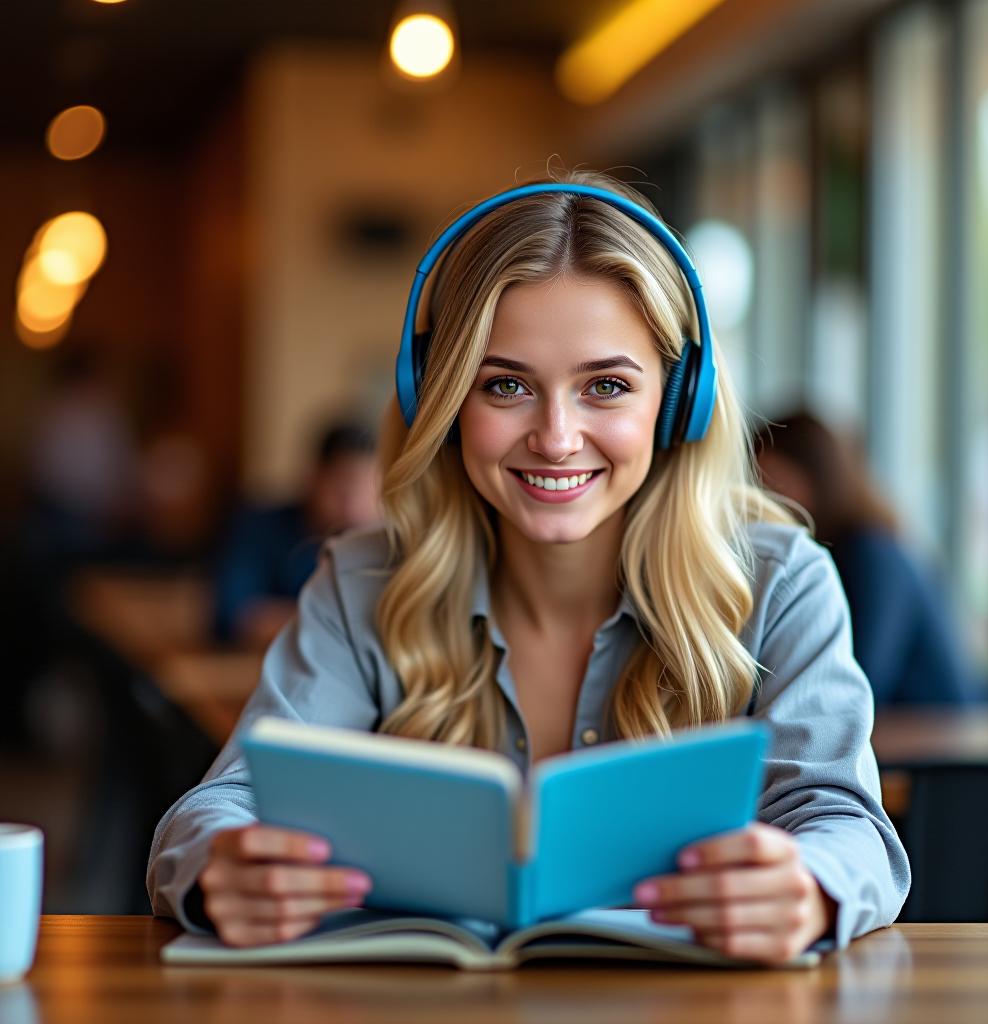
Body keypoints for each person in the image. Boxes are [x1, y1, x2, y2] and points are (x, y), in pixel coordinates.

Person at [148, 170, 909, 964]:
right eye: (505, 385)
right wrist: (224, 867)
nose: (555, 436)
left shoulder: (779, 580)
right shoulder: (362, 581)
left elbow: (847, 823)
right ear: (436, 399)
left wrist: (807, 886)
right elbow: (220, 806)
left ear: (678, 401)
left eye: (606, 386)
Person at [753, 411, 988, 706]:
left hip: (944, 739)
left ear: (814, 477)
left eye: (773, 480)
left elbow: (859, 676)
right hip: (911, 731)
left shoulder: (872, 554)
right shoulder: (851, 550)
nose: (764, 499)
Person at [212, 422, 381, 648]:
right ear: (313, 478)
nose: (354, 506)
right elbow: (236, 614)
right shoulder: (261, 528)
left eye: (369, 490)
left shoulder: (384, 545)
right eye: (344, 488)